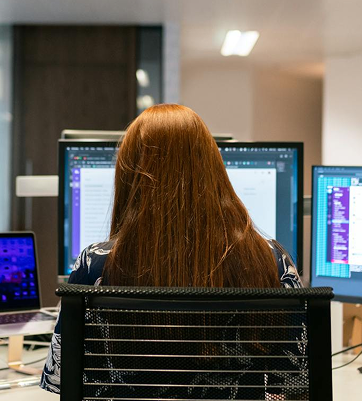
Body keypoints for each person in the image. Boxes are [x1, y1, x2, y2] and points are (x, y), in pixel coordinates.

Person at [40, 104, 300, 393]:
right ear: (214, 169)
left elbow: (62, 378)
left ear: (129, 176)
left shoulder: (95, 263)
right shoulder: (272, 260)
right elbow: (297, 381)